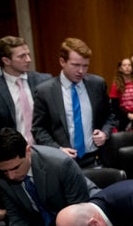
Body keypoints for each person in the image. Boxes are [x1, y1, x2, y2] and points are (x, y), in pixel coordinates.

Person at [32, 37, 118, 168]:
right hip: (63, 162)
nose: (81, 71)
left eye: (85, 66)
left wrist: (105, 133)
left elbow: (110, 116)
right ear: (62, 61)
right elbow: (39, 129)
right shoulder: (45, 91)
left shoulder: (97, 85)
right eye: (76, 65)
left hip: (96, 159)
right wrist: (58, 150)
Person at [0, 35, 53, 143]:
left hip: (47, 148)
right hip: (15, 153)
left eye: (28, 54)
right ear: (6, 61)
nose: (28, 59)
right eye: (22, 56)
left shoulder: (45, 81)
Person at [109, 57, 133, 132]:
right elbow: (115, 105)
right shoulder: (115, 85)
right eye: (124, 65)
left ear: (132, 68)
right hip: (122, 115)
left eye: (129, 65)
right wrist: (127, 115)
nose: (127, 67)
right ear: (120, 68)